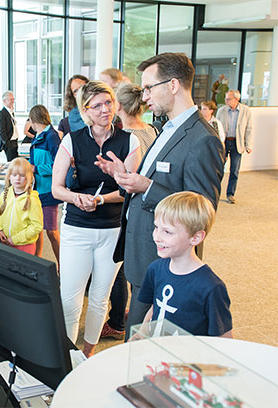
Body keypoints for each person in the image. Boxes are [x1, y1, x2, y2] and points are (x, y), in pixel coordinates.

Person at [94, 52, 225, 341]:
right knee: (137, 339)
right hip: (142, 254)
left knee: (146, 347)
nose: (144, 96)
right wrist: (125, 177)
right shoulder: (167, 128)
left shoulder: (203, 140)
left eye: (149, 88)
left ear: (174, 85)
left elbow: (202, 211)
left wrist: (147, 187)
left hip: (164, 263)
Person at [51, 81, 141, 357]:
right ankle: (67, 356)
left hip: (112, 230)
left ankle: (87, 353)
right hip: (77, 229)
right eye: (97, 105)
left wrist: (102, 198)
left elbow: (130, 188)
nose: (105, 109)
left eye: (109, 103)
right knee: (70, 299)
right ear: (86, 111)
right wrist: (77, 198)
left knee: (101, 299)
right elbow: (57, 189)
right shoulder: (72, 140)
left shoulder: (129, 141)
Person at [99, 82, 158, 340]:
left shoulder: (127, 138)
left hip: (132, 209)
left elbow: (128, 181)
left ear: (118, 106)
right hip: (152, 211)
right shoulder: (153, 131)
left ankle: (118, 321)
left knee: (123, 271)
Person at [139, 191, 233, 338]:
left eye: (168, 232)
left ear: (195, 237)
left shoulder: (211, 287)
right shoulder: (155, 269)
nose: (156, 237)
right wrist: (141, 333)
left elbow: (224, 337)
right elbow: (154, 308)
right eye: (156, 227)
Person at [28, 105, 62, 265]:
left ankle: (63, 266)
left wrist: (37, 169)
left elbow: (59, 164)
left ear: (33, 120)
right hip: (37, 190)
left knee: (52, 231)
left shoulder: (51, 137)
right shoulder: (39, 136)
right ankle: (38, 262)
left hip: (48, 191)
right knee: (38, 229)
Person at [0, 158, 43, 255]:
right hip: (6, 243)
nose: (17, 178)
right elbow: (0, 215)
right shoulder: (5, 194)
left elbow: (36, 226)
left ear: (29, 177)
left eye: (22, 175)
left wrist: (15, 239)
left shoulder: (33, 199)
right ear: (9, 176)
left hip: (24, 246)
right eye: (14, 175)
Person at [216, 90, 252, 204]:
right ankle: (215, 192)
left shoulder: (246, 111)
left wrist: (248, 144)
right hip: (224, 142)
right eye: (226, 99)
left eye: (228, 99)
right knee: (218, 168)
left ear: (236, 99)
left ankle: (230, 194)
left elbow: (249, 129)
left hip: (237, 143)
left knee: (234, 170)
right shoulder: (221, 111)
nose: (226, 101)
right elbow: (216, 128)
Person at [0, 91, 20, 161]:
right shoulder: (2, 113)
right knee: (12, 163)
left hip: (14, 142)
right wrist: (7, 143)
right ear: (4, 101)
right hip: (9, 143)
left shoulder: (11, 112)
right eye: (11, 99)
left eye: (13, 99)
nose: (13, 101)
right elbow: (1, 131)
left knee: (15, 162)